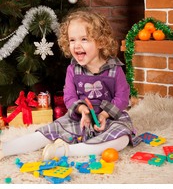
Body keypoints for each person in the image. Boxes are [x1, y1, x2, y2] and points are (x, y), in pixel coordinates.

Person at [0, 9, 141, 161]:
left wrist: (104, 114)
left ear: (100, 42)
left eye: (84, 39)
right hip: (79, 118)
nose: (76, 45)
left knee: (122, 138)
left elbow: (122, 97)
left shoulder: (115, 69)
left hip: (110, 118)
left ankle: (65, 151)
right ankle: (5, 149)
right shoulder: (73, 69)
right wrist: (82, 110)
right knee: (48, 131)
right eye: (72, 40)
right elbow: (69, 97)